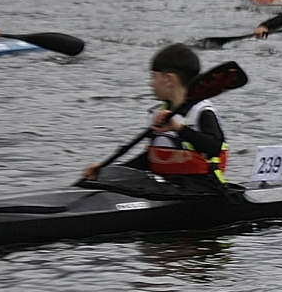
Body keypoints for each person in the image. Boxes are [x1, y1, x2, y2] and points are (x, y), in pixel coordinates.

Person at [80, 44, 230, 191]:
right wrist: (107, 173)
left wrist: (178, 128)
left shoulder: (201, 111)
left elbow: (214, 147)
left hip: (204, 187)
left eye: (153, 77)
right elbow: (152, 159)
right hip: (171, 186)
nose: (150, 84)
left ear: (169, 80)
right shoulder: (161, 112)